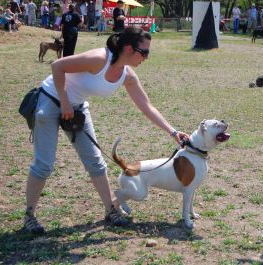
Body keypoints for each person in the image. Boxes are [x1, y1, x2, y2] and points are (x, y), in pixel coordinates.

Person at [22, 27, 189, 235]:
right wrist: (64, 102)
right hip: (50, 99)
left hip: (76, 107)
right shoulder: (99, 58)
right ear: (129, 48)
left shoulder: (127, 75)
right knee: (44, 165)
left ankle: (111, 210)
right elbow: (57, 66)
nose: (146, 57)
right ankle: (30, 216)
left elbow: (147, 106)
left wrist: (174, 133)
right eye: (144, 52)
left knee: (95, 162)